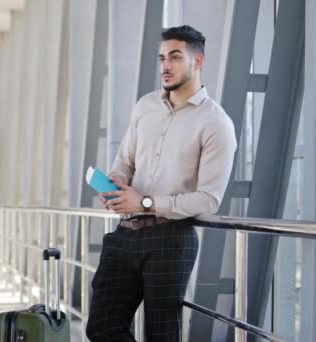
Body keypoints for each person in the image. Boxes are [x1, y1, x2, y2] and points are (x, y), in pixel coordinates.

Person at [85, 25, 237, 341]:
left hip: (171, 239)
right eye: (162, 58)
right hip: (125, 234)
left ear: (198, 62)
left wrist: (145, 202)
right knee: (101, 327)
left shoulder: (216, 123)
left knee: (162, 334)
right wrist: (116, 185)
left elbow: (209, 199)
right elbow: (125, 161)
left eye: (175, 57)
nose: (165, 65)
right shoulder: (146, 106)